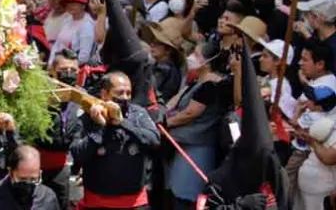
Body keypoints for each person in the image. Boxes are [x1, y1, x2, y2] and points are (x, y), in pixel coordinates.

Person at [72, 72, 161, 209]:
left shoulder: (138, 113)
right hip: (97, 202)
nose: (125, 97)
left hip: (134, 202)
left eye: (128, 93)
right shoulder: (88, 117)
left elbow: (154, 140)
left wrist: (122, 123)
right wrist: (100, 127)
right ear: (104, 94)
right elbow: (78, 153)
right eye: (119, 93)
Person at [165, 40, 228, 207]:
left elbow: (191, 112)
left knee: (186, 196)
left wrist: (166, 122)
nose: (191, 57)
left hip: (198, 147)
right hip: (183, 143)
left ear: (208, 61)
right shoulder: (197, 81)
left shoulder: (212, 84)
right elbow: (177, 100)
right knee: (175, 192)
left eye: (197, 55)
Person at [35, 51, 83, 210]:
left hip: (63, 167)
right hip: (37, 166)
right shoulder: (38, 97)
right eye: (64, 69)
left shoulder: (83, 98)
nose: (69, 73)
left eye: (73, 70)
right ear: (53, 71)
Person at [0, 146, 59, 210]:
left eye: (33, 179)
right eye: (23, 179)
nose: (28, 184)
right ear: (10, 172)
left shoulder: (48, 197)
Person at [47, 0, 95, 67]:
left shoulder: (87, 25)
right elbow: (57, 44)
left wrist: (66, 66)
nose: (70, 5)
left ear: (83, 5)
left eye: (74, 3)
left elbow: (83, 57)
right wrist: (51, 63)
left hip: (71, 69)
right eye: (68, 3)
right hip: (57, 65)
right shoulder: (68, 19)